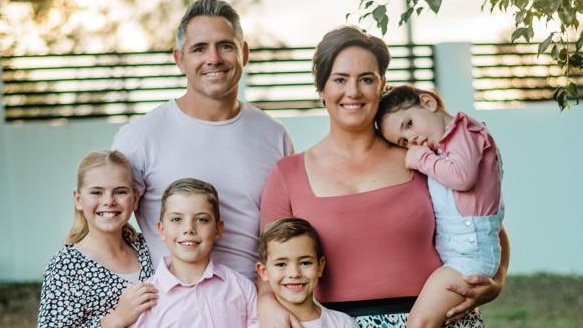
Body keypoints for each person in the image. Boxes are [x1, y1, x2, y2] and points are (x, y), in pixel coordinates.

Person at [259, 26, 510, 328]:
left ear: (381, 86)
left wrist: (497, 280)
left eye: (366, 79)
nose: (353, 91)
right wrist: (265, 301)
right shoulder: (288, 174)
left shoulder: (422, 157)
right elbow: (267, 263)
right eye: (340, 79)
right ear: (321, 88)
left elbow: (487, 223)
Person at [111, 0, 293, 280]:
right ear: (179, 59)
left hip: (254, 306)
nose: (214, 58)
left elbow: (284, 234)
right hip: (174, 310)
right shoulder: (139, 137)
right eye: (199, 48)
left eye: (225, 45)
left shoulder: (274, 135)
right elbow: (107, 227)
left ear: (244, 53)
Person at [375, 85, 504, 328]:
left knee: (420, 323)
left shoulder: (464, 130)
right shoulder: (442, 149)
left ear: (428, 102)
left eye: (409, 124)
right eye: (403, 141)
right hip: (457, 257)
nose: (411, 140)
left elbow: (462, 177)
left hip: (469, 258)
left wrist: (420, 158)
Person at [37, 150, 157, 328]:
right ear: (78, 200)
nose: (109, 201)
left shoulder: (149, 247)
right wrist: (116, 319)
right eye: (96, 192)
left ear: (135, 199)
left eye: (120, 192)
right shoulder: (66, 267)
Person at [131, 178, 257, 327]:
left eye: (201, 219)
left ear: (218, 229)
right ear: (162, 230)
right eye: (177, 219)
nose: (189, 228)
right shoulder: (144, 299)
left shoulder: (242, 288)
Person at [257, 217, 360, 328]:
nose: (294, 273)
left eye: (305, 263)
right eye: (281, 264)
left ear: (320, 266)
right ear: (263, 271)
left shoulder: (342, 324)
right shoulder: (255, 325)